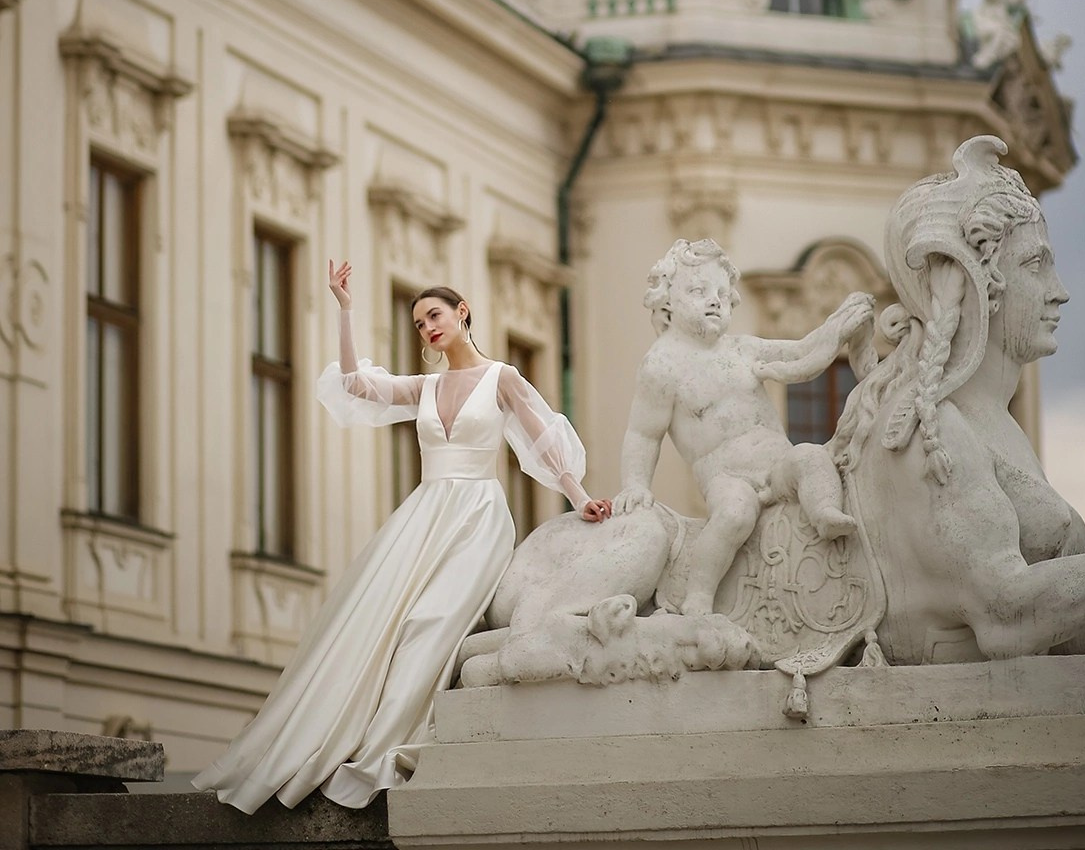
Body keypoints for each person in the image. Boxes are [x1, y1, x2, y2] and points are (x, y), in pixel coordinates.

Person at [193, 264, 611, 813]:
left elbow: (545, 445)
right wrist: (344, 308)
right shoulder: (426, 386)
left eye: (434, 315)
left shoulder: (502, 377)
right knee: (381, 626)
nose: (427, 329)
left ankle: (384, 753)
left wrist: (580, 499)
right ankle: (353, 741)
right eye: (418, 324)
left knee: (431, 622)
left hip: (478, 517)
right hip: (426, 513)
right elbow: (356, 386)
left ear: (462, 312)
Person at [835, 136, 1085, 681]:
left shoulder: (993, 424)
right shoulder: (927, 429)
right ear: (979, 284)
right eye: (1036, 265)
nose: (1060, 291)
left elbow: (1027, 614)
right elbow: (1003, 615)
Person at [612, 236, 876, 615]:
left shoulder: (742, 350)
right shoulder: (662, 367)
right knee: (733, 515)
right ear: (667, 299)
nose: (715, 300)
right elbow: (643, 434)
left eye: (722, 292)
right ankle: (699, 596)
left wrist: (838, 326)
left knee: (810, 458)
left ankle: (825, 515)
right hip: (727, 477)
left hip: (776, 463)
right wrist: (636, 485)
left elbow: (803, 354)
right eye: (699, 290)